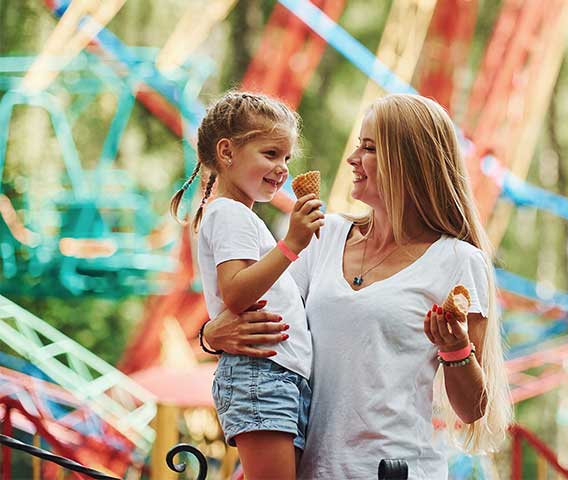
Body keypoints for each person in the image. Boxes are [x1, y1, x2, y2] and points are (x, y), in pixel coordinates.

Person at [202, 93, 512, 479]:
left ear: (409, 162)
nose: (351, 159)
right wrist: (211, 334)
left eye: (368, 148)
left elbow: (472, 409)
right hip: (311, 469)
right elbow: (266, 317)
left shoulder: (458, 261)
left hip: (396, 471)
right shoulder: (322, 236)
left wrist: (455, 350)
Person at [170, 91, 324, 479]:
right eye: (270, 154)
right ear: (227, 152)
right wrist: (292, 245)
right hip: (262, 375)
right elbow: (236, 292)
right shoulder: (230, 214)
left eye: (286, 158)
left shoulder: (238, 217)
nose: (283, 168)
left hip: (276, 375)